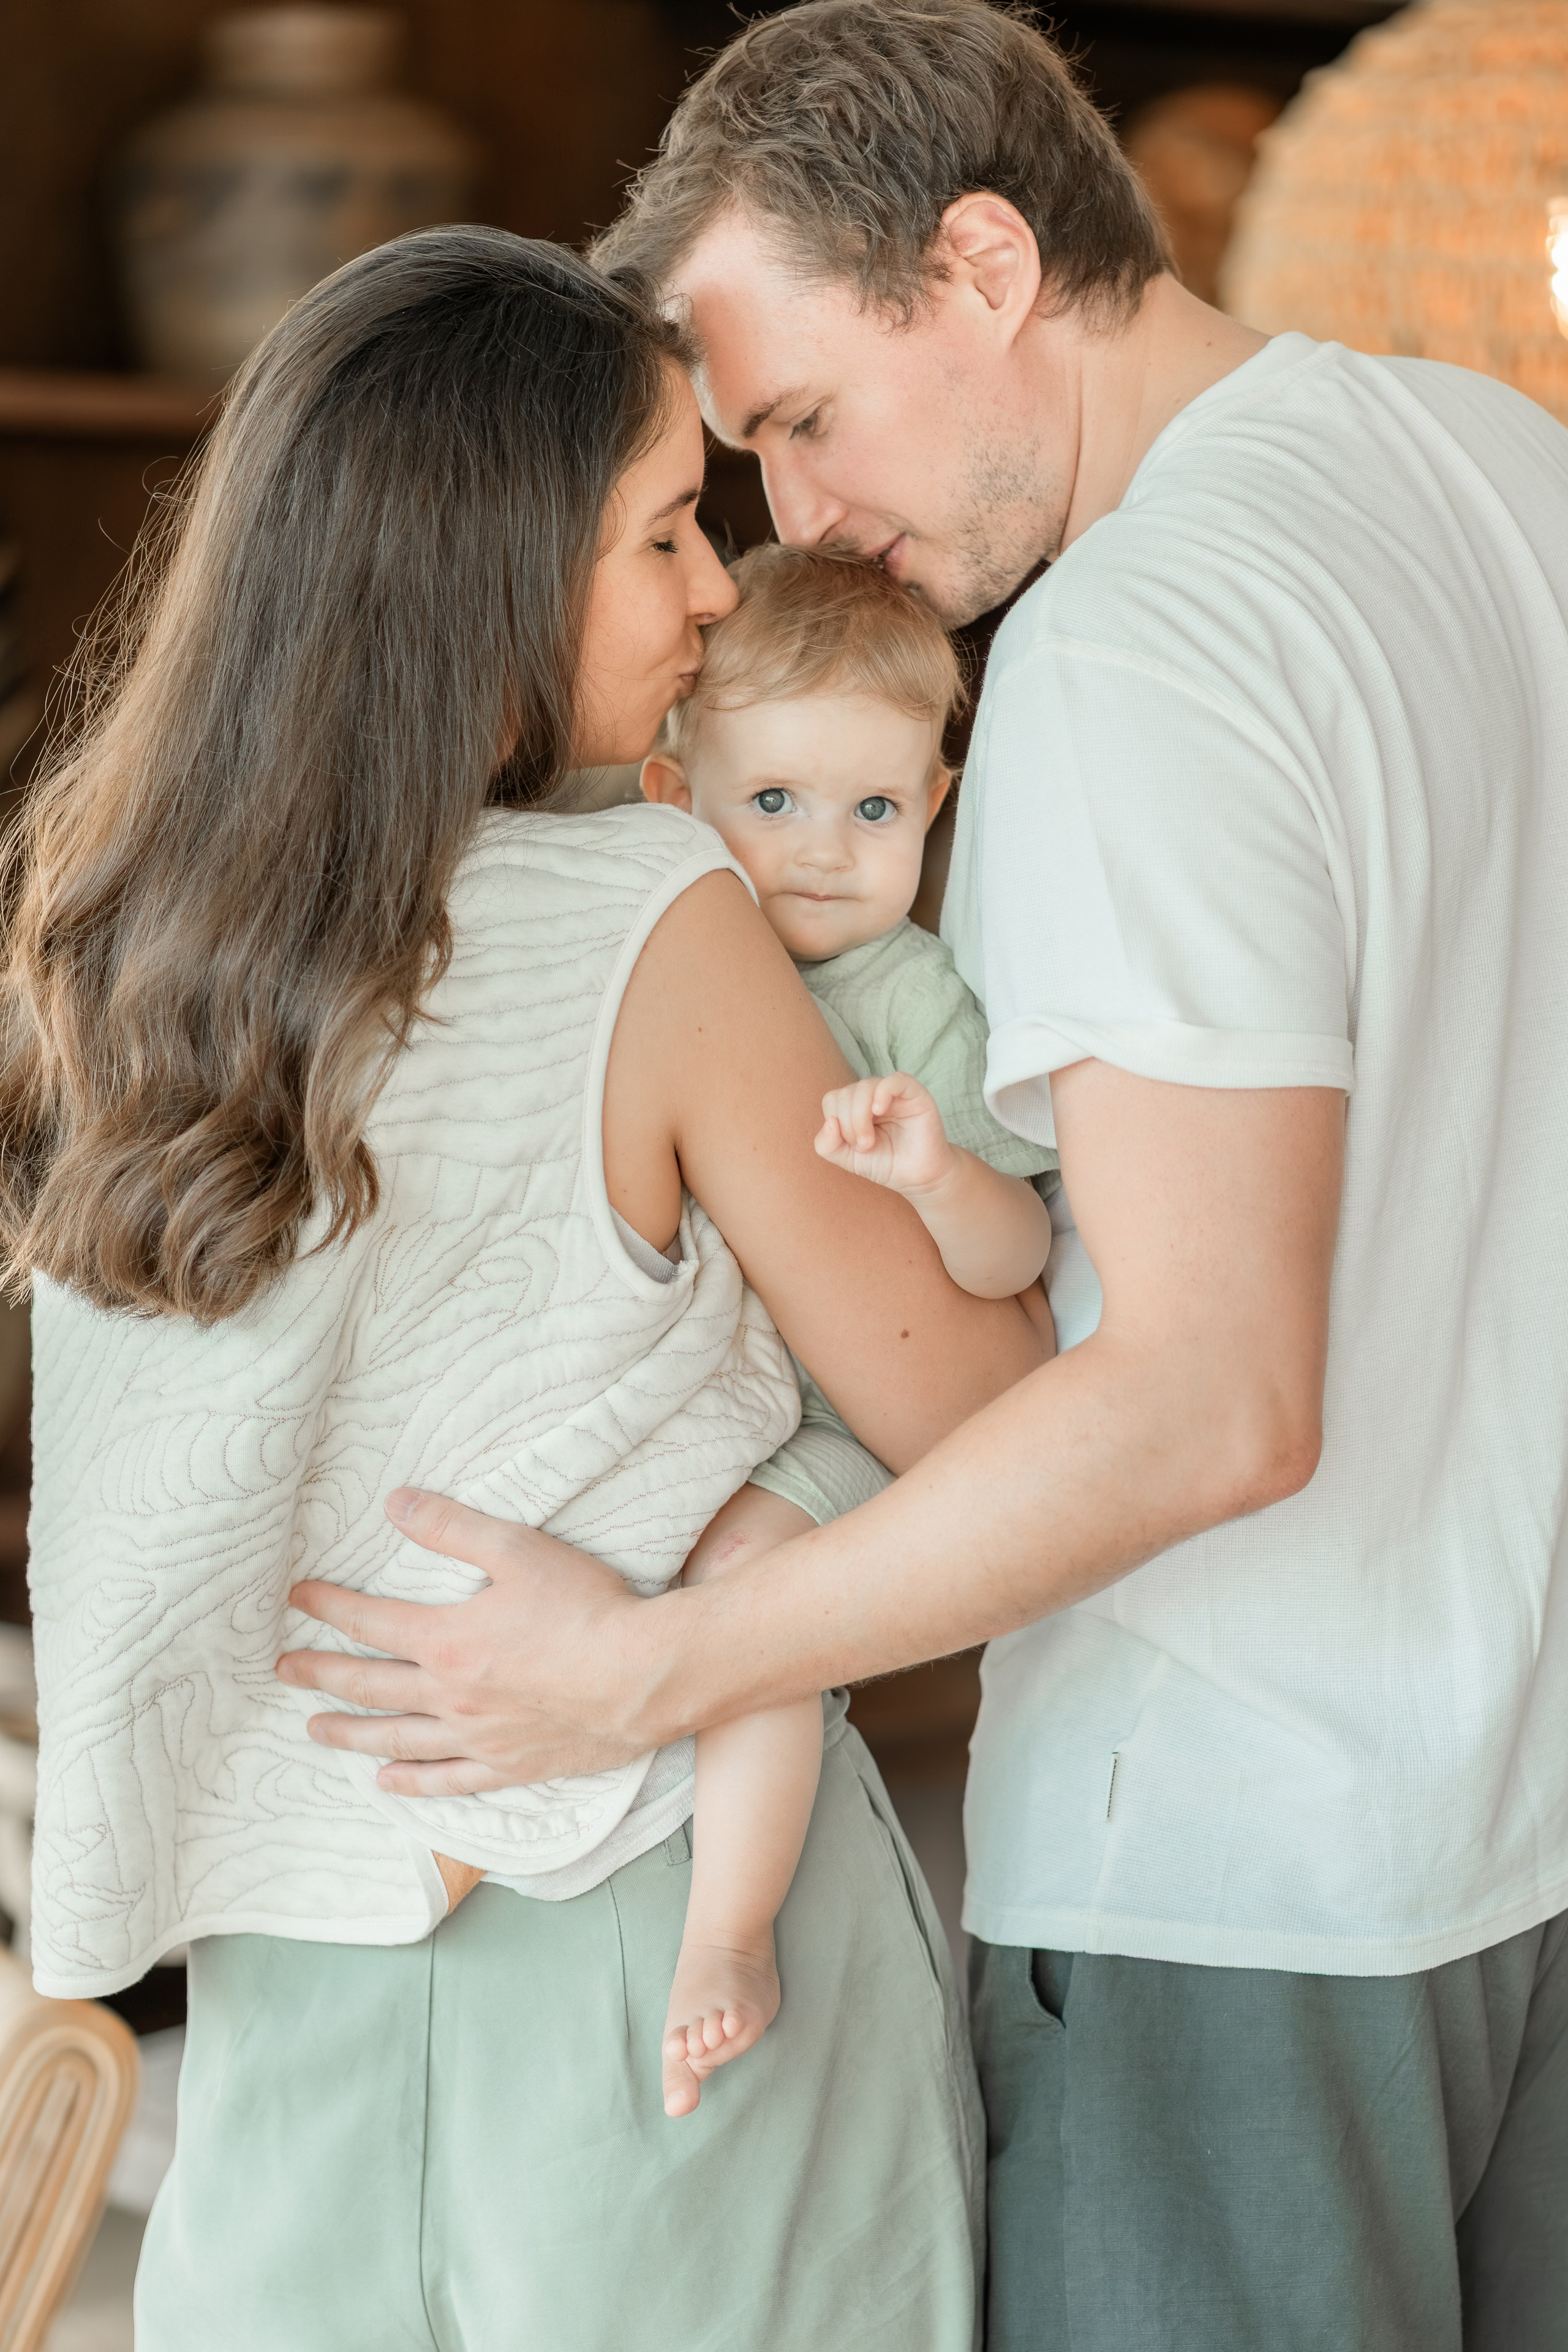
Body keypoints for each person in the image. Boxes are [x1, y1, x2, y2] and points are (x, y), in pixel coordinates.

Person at [282, 6, 1568, 2348]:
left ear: (985, 263)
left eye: (800, 417)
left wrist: (653, 1665)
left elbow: (1211, 1397)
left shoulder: (1134, 638)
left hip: (1238, 1894)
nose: (791, 527)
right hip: (1530, 1840)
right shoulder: (1506, 469)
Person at [5, 226, 1047, 2350]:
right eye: (664, 532)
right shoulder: (659, 920)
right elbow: (986, 1428)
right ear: (479, 575)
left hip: (289, 1985)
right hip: (652, 1949)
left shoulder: (133, 945)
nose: (721, 591)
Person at [641, 541, 1055, 2108]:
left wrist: (937, 1175)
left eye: (874, 810)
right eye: (774, 802)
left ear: (933, 805)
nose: (823, 852)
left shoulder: (915, 1002)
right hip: (704, 1390)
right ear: (674, 795)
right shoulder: (667, 954)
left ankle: (728, 1934)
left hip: (838, 1421)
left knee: (746, 1591)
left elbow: (1015, 1256)